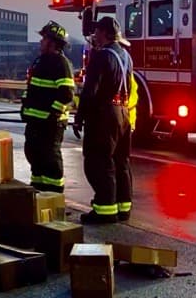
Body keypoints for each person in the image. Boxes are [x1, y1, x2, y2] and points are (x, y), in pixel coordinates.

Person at [74, 16, 136, 224]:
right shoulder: (126, 56)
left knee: (98, 162)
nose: (95, 35)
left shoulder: (100, 57)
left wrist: (79, 117)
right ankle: (123, 207)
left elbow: (90, 91)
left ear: (105, 33)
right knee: (121, 161)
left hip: (104, 114)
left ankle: (105, 210)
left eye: (98, 31)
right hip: (123, 113)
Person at [21, 20, 77, 193]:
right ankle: (38, 191)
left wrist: (52, 114)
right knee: (34, 156)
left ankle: (54, 197)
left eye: (44, 39)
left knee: (50, 160)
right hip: (35, 122)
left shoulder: (61, 63)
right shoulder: (40, 61)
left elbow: (67, 94)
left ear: (53, 42)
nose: (40, 42)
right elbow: (32, 89)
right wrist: (25, 107)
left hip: (50, 124)